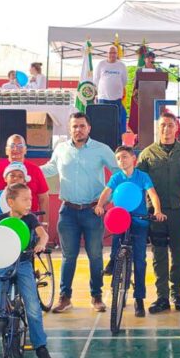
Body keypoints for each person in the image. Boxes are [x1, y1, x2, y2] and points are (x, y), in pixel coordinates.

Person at [40, 112, 121, 313]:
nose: (78, 130)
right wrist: (26, 170)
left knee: (95, 255)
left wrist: (105, 200)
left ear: (89, 128)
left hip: (93, 211)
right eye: (74, 126)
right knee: (68, 256)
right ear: (70, 129)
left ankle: (97, 297)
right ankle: (64, 297)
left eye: (82, 126)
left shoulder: (101, 149)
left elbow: (118, 174)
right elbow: (50, 169)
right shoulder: (61, 149)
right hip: (67, 211)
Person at [0, 183, 54, 358]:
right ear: (11, 202)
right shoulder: (0, 220)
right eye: (25, 199)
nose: (30, 203)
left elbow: (43, 235)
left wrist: (41, 244)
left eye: (30, 198)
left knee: (33, 307)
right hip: (0, 263)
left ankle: (40, 347)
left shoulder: (30, 219)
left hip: (23, 263)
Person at [137, 113, 180, 314]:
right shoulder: (147, 154)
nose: (166, 129)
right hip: (157, 213)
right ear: (158, 128)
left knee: (179, 253)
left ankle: (177, 295)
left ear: (176, 128)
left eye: (170, 125)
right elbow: (138, 183)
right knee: (159, 254)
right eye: (163, 125)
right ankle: (162, 296)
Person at [95, 146, 164, 317]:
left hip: (139, 220)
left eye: (125, 157)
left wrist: (157, 210)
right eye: (118, 158)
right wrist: (99, 204)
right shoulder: (117, 177)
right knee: (116, 239)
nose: (121, 161)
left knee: (139, 260)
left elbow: (153, 194)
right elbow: (107, 192)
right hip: (121, 217)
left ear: (133, 158)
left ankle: (139, 298)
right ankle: (113, 262)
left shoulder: (142, 176)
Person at [0, 134, 48, 213]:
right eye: (12, 146)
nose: (16, 149)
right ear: (6, 150)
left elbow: (43, 198)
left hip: (28, 220)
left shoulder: (36, 170)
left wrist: (45, 222)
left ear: (25, 150)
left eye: (20, 146)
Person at [94, 45, 129, 143]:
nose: (112, 55)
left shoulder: (121, 65)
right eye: (110, 52)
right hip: (103, 99)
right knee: (103, 122)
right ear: (107, 54)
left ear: (117, 54)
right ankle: (102, 142)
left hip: (116, 99)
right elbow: (96, 80)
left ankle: (117, 142)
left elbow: (124, 81)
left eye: (114, 53)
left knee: (116, 122)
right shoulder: (101, 64)